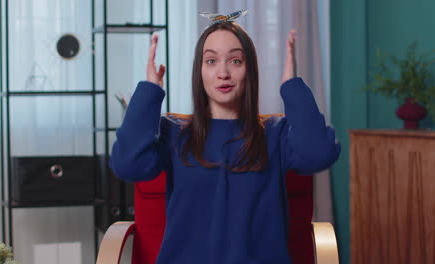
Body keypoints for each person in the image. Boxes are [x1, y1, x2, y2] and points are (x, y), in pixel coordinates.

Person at [110, 19, 340, 264]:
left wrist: (291, 86)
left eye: (235, 61)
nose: (223, 73)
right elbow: (128, 164)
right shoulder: (175, 134)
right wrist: (149, 91)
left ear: (249, 70)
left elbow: (319, 153)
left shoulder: (276, 134)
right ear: (199, 71)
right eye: (211, 61)